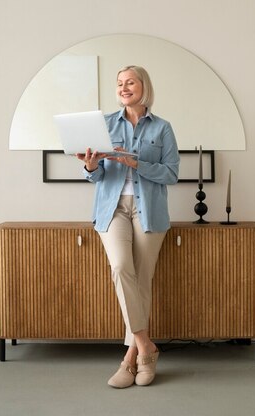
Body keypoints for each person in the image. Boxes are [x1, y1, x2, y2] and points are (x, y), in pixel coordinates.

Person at [77, 65, 180, 388]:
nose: (123, 88)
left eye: (130, 82)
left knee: (142, 280)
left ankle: (132, 358)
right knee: (122, 268)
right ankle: (146, 347)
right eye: (119, 83)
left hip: (149, 210)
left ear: (143, 86)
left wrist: (136, 162)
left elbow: (171, 174)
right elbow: (94, 175)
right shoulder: (104, 125)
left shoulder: (162, 128)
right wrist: (90, 166)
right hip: (113, 208)